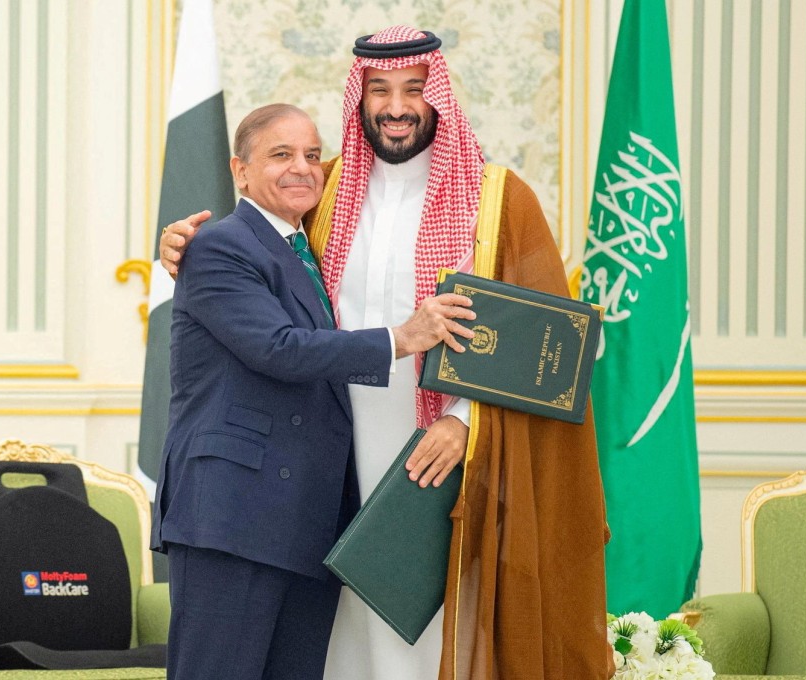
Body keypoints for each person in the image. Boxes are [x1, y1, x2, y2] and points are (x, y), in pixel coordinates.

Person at [161, 27, 613, 680]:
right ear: (359, 98)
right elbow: (257, 270)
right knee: (333, 637)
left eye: (413, 89)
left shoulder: (497, 200)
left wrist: (463, 422)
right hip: (320, 469)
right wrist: (182, 244)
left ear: (437, 97)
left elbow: (543, 350)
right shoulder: (322, 192)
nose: (396, 106)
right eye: (379, 90)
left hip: (434, 454)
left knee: (428, 629)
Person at [150, 103, 477, 680]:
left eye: (310, 154)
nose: (302, 168)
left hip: (309, 522)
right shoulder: (219, 246)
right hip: (234, 517)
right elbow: (280, 348)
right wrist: (404, 337)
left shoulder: (315, 247)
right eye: (280, 155)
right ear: (240, 170)